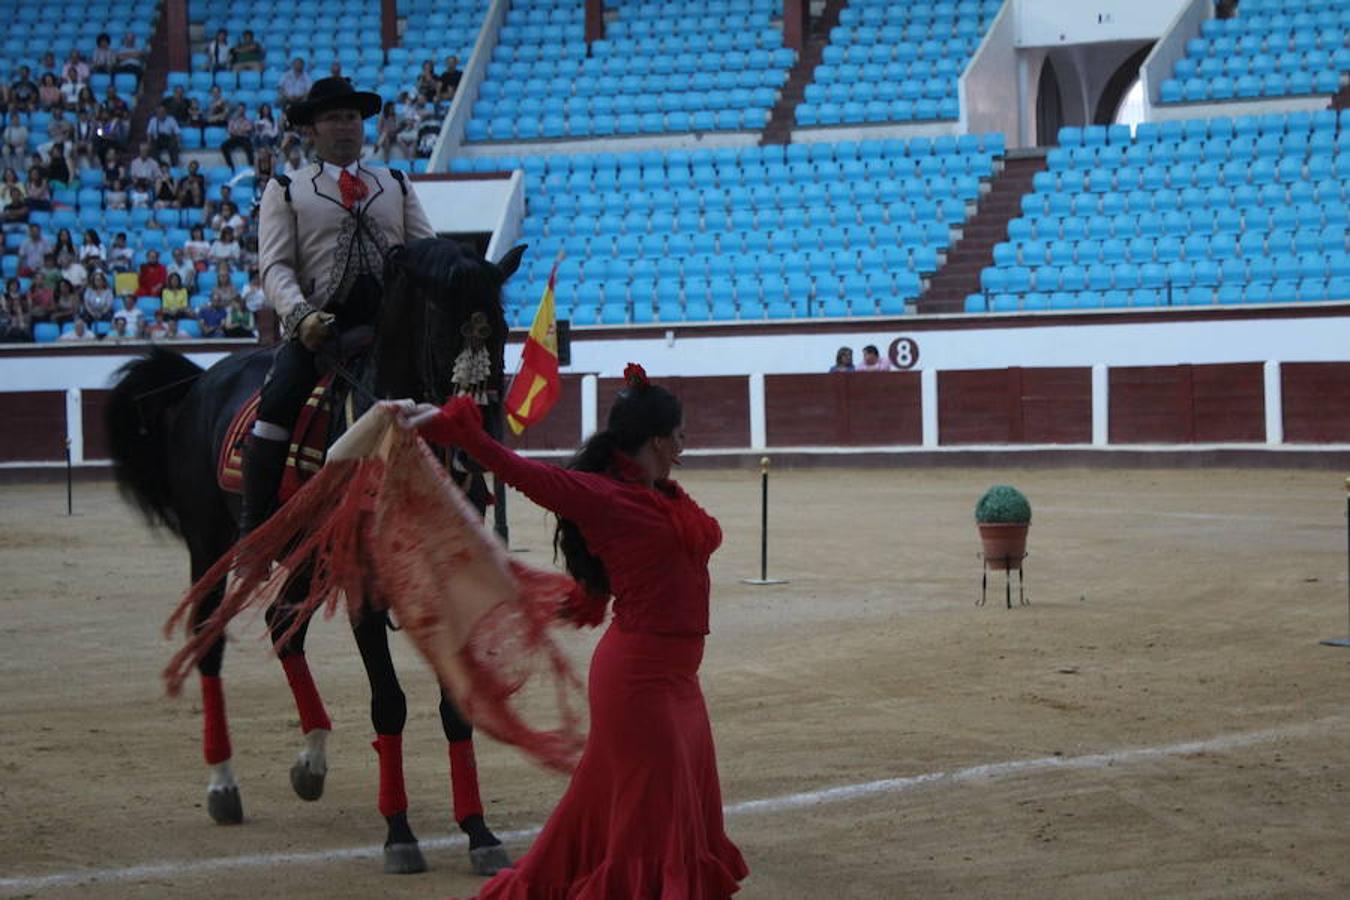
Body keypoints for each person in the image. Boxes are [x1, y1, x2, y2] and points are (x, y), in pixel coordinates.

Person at [408, 365, 748, 898]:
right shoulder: (606, 497)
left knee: (620, 804)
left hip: (681, 683)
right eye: (681, 434)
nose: (687, 441)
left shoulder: (663, 494)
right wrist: (468, 436)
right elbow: (524, 474)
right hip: (638, 684)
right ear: (660, 441)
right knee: (646, 813)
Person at [242, 76, 434, 543]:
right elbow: (275, 268)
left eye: (351, 117)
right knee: (276, 406)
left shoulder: (394, 183)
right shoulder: (285, 190)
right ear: (312, 130)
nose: (345, 127)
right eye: (332, 118)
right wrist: (301, 315)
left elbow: (427, 251)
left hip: (390, 330)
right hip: (321, 332)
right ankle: (258, 527)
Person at [220, 103, 254, 168]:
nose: (241, 111)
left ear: (244, 110)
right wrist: (240, 130)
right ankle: (230, 166)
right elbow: (230, 130)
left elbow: (249, 129)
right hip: (235, 138)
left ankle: (251, 166)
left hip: (244, 138)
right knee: (223, 146)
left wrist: (239, 130)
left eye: (242, 109)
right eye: (239, 109)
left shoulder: (248, 120)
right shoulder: (233, 120)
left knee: (249, 147)